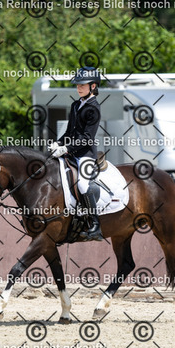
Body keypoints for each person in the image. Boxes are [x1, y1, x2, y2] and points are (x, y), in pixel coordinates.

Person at [48, 66, 103, 241]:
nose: (78, 88)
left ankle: (95, 225)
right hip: (71, 152)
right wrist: (58, 143)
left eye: (82, 85)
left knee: (83, 185)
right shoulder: (75, 105)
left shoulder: (94, 108)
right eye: (77, 85)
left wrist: (66, 149)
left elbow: (87, 138)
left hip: (85, 154)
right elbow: (69, 133)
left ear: (93, 86)